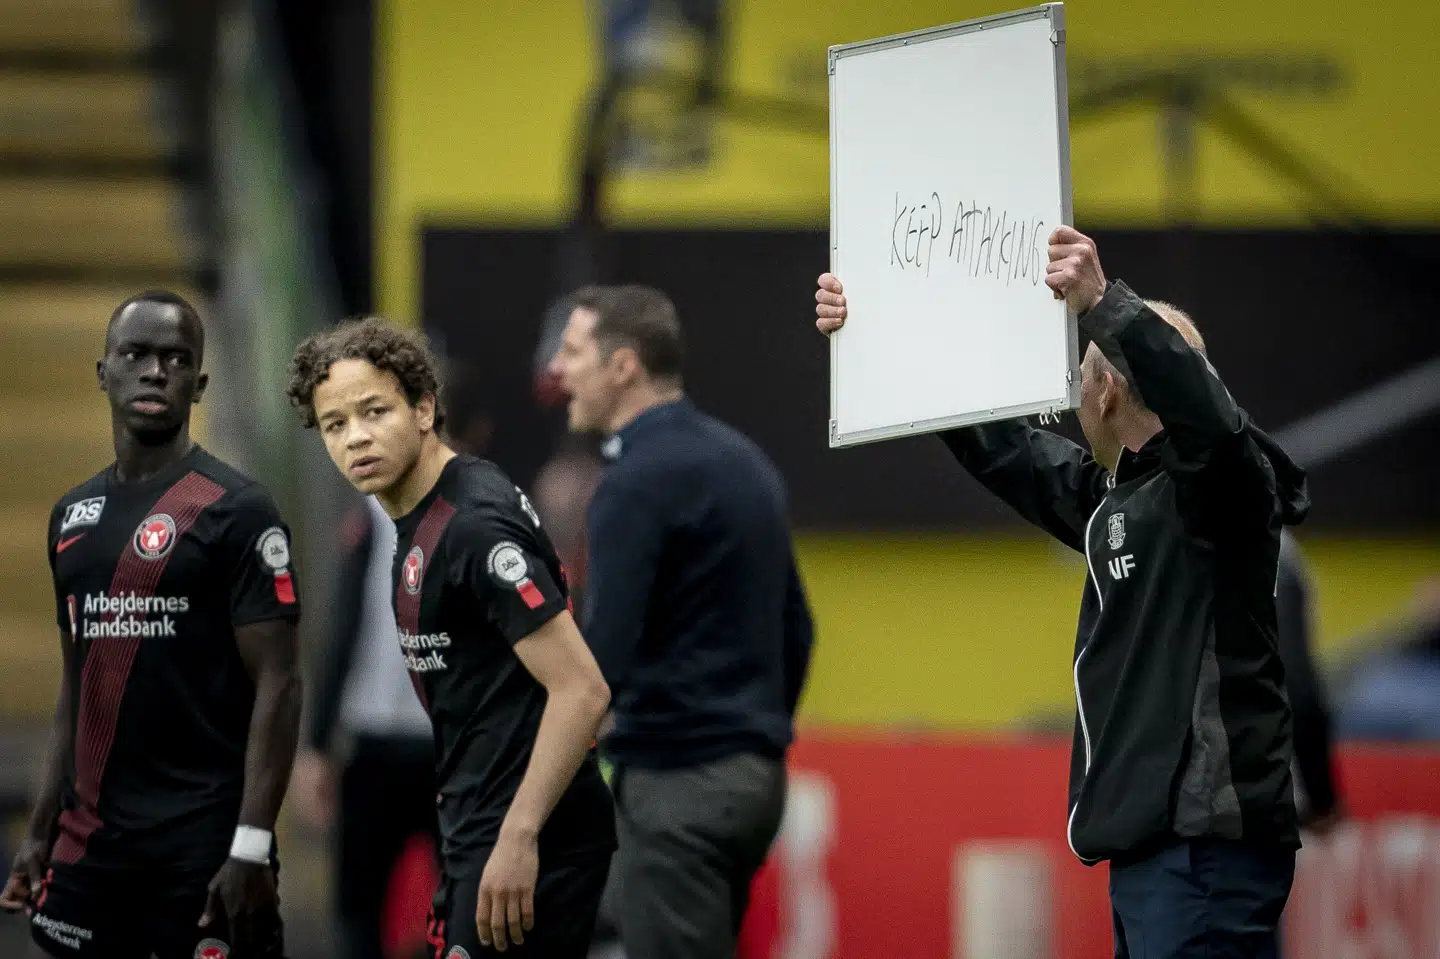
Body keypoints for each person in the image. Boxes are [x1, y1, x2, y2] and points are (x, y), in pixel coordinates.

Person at [814, 226, 1309, 958]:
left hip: (1202, 848)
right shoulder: (1122, 499)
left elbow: (1211, 421)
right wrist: (885, 334)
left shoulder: (1224, 488)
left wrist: (1104, 304)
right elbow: (1013, 449)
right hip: (1164, 852)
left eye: (1081, 374)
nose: (1073, 394)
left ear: (1109, 391)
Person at [286, 317, 616, 958]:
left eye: (374, 411)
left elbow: (582, 689)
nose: (356, 438)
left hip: (521, 840)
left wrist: (518, 838)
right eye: (335, 424)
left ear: (425, 408)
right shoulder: (410, 512)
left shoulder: (472, 527)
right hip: (475, 820)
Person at [0, 291, 304, 958]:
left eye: (175, 358)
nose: (155, 370)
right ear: (104, 370)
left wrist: (251, 843)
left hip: (201, 854)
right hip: (92, 855)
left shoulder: (238, 511)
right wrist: (40, 830)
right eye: (136, 353)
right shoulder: (70, 517)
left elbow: (279, 685)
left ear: (198, 383)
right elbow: (75, 690)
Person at [547, 284, 816, 959]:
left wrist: (529, 800)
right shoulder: (747, 462)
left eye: (574, 350)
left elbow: (596, 664)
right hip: (753, 781)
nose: (558, 367)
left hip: (676, 784)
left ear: (624, 365)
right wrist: (754, 730)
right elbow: (800, 628)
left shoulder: (633, 482)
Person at [291, 490, 438, 959]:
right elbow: (341, 630)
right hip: (385, 745)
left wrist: (315, 745)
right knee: (362, 911)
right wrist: (315, 745)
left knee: (370, 910)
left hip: (435, 747)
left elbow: (340, 629)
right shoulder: (372, 518)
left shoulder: (477, 509)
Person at [1275, 530, 1343, 835]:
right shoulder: (1272, 551)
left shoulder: (1142, 535)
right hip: (1264, 804)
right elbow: (1298, 688)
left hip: (1168, 806)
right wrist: (1322, 799)